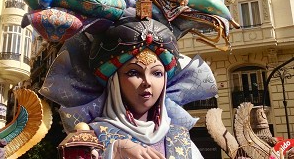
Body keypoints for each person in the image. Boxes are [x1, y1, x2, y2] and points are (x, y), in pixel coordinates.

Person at [40, 17, 218, 159]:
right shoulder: (90, 137)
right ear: (114, 81)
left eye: (156, 73)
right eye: (134, 72)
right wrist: (112, 151)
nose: (147, 82)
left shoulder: (179, 138)